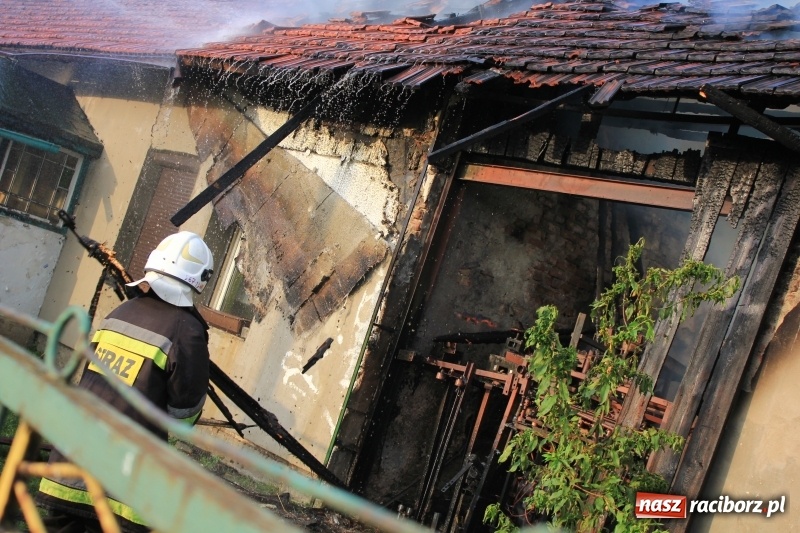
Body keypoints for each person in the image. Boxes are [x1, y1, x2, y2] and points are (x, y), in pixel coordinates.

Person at [36, 231, 214, 533]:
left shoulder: (120, 313)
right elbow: (183, 416)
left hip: (69, 463)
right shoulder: (187, 331)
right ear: (201, 279)